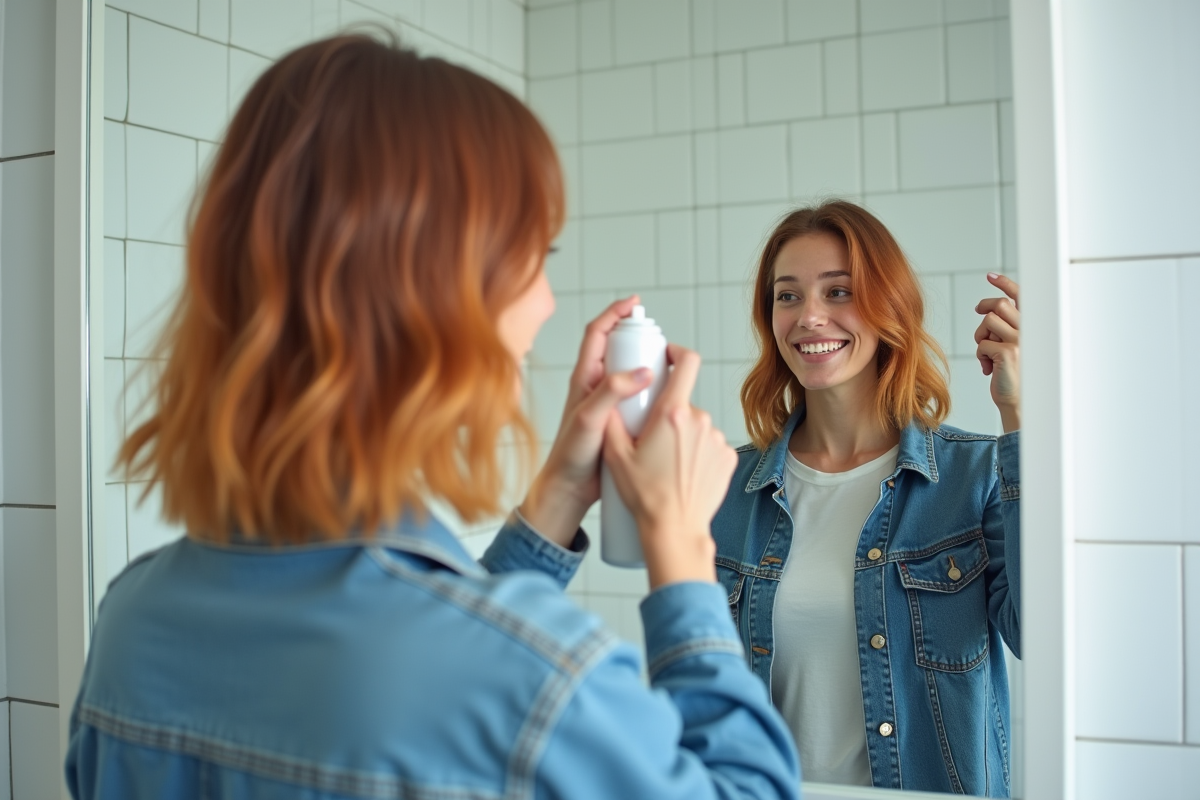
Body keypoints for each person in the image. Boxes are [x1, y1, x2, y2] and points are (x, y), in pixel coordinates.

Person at [65, 35, 799, 800]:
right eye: (535, 256)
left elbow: (428, 656)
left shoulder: (134, 622)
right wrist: (680, 551)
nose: (548, 301)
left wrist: (557, 497)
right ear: (442, 295)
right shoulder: (544, 682)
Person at [711, 201, 1020, 796]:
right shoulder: (726, 486)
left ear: (889, 309)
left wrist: (1019, 413)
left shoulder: (973, 475)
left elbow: (1039, 634)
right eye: (788, 296)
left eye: (838, 292)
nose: (809, 318)